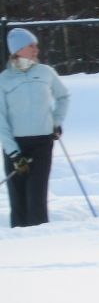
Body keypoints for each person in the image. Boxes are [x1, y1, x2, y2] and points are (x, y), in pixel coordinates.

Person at [1, 28, 69, 227]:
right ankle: (19, 244)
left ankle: (39, 241)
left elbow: (63, 97)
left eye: (36, 45)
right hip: (16, 145)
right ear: (18, 49)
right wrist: (14, 153)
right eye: (31, 45)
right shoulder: (4, 79)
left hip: (42, 142)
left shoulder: (45, 72)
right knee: (19, 200)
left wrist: (55, 122)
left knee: (36, 198)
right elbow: (1, 120)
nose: (36, 49)